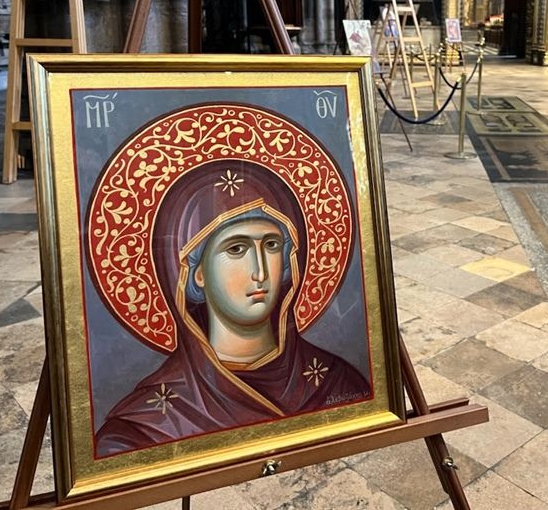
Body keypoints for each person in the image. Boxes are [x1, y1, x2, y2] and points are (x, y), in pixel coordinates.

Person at [94, 161, 371, 456]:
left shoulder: (336, 382)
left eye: (272, 245)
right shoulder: (141, 430)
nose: (260, 271)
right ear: (196, 273)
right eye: (236, 249)